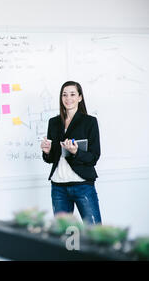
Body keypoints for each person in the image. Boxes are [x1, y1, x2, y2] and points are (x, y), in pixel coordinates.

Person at [41, 81, 102, 225]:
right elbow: (51, 159)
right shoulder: (53, 122)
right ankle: (72, 249)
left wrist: (76, 152)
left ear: (80, 97)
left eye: (73, 94)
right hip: (58, 187)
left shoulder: (90, 122)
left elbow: (94, 157)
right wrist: (47, 152)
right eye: (64, 94)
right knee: (68, 236)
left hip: (83, 186)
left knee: (95, 232)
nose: (68, 98)